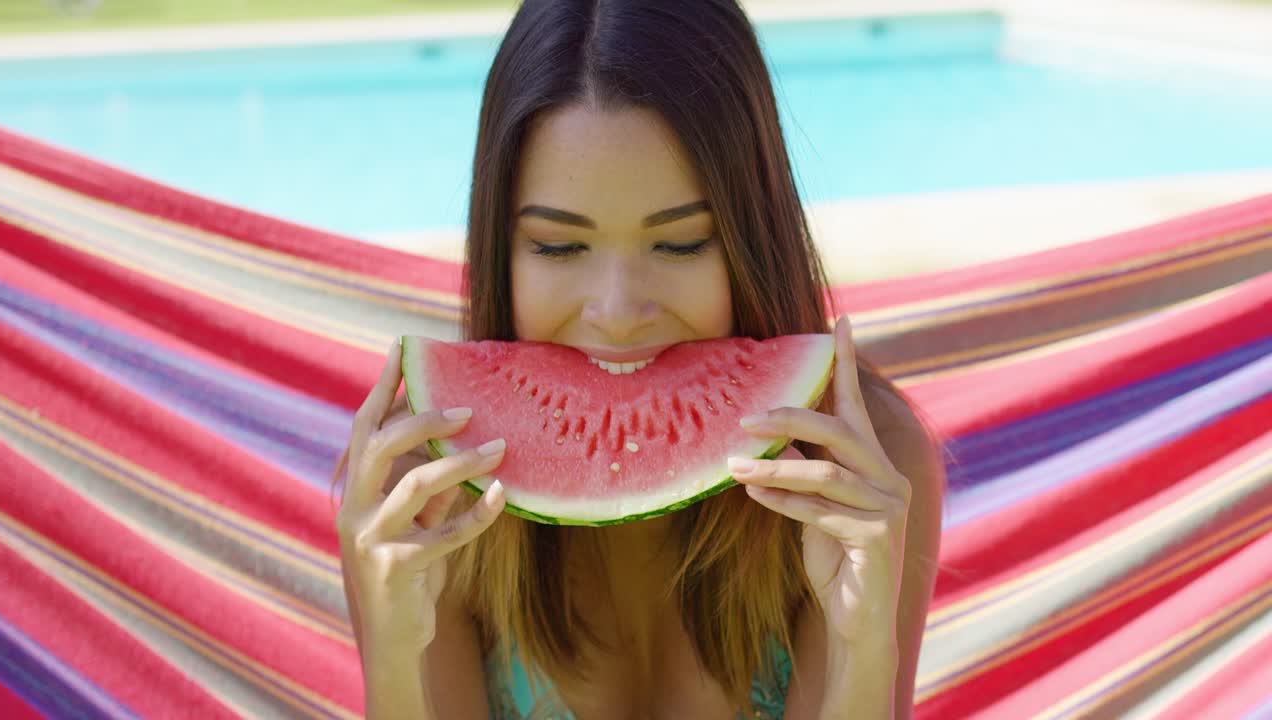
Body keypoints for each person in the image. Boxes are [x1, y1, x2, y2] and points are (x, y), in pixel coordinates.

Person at [333, 1, 946, 717]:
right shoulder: (416, 490)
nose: (618, 312)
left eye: (680, 243)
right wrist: (395, 656)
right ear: (502, 253)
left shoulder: (867, 470)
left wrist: (863, 647)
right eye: (559, 247)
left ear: (754, 238)